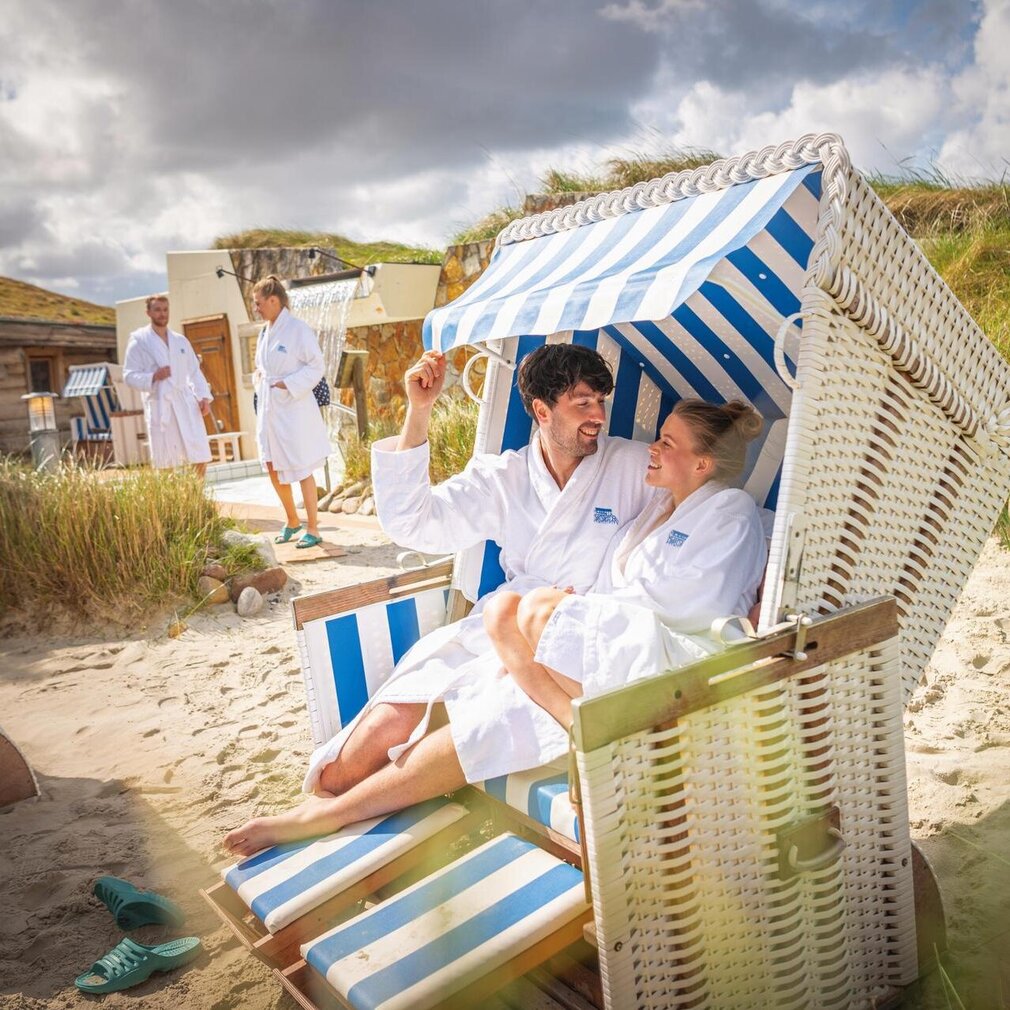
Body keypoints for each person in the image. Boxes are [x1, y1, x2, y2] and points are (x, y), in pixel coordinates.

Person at [224, 342, 654, 856]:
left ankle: (328, 817)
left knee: (480, 727)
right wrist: (419, 411)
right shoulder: (505, 477)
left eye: (601, 402)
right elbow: (413, 522)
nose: (598, 417)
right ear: (542, 411)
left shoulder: (631, 466)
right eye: (583, 404)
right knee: (342, 768)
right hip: (496, 630)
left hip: (565, 647)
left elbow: (693, 515)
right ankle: (327, 800)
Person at [481, 399, 768, 731]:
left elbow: (699, 604)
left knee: (538, 608)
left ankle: (603, 723)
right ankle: (577, 726)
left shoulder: (730, 510)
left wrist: (582, 605)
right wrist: (579, 603)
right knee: (501, 611)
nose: (653, 449)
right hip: (633, 633)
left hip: (680, 653)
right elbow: (611, 578)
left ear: (702, 464)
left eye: (667, 443)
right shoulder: (657, 509)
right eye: (658, 438)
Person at [252, 275, 330, 550]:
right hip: (270, 409)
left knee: (302, 467)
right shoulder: (265, 331)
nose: (256, 308)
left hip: (293, 410)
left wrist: (289, 383)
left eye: (259, 303)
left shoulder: (297, 329)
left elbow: (316, 365)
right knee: (272, 464)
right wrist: (260, 377)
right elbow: (262, 366)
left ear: (274, 300)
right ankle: (292, 520)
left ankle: (313, 527)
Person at [123, 295, 212, 476]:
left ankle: (196, 497)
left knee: (199, 452)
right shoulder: (139, 342)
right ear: (148, 312)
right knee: (165, 459)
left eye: (165, 309)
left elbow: (194, 370)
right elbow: (129, 376)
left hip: (185, 401)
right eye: (157, 310)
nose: (162, 314)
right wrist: (153, 376)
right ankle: (173, 502)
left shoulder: (180, 341)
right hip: (160, 403)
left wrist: (203, 397)